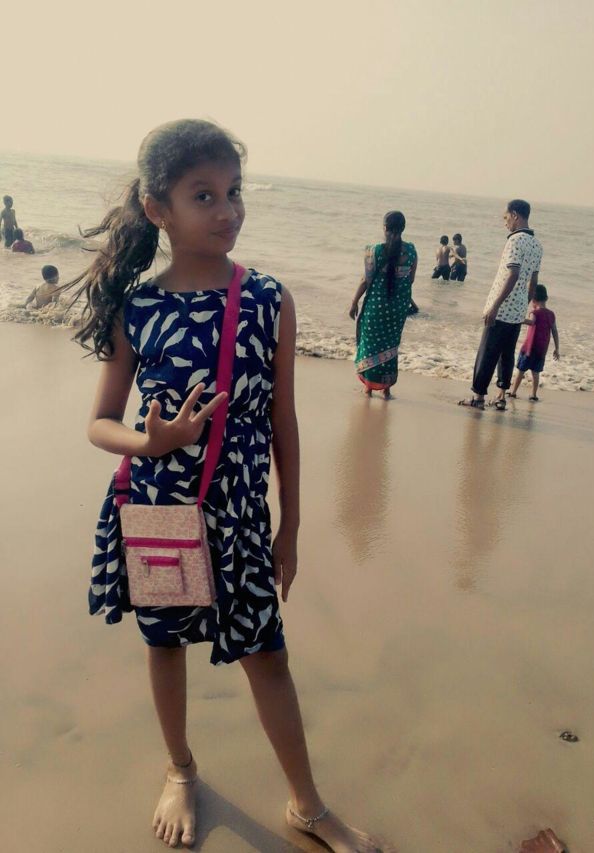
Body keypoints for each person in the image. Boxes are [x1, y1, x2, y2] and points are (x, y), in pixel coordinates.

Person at [63, 119, 385, 853]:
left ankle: (307, 805)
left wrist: (290, 527)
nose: (227, 210)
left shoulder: (268, 298)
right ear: (158, 209)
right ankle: (180, 769)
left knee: (266, 652)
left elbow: (283, 422)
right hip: (159, 510)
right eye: (203, 195)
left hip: (238, 514)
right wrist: (151, 442)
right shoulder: (138, 307)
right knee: (166, 644)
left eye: (233, 192)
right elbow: (100, 423)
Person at [459, 199, 543, 411]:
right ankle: (501, 396)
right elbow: (533, 281)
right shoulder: (537, 245)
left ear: (515, 215)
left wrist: (495, 305)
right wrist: (524, 304)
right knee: (507, 353)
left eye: (506, 218)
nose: (505, 222)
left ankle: (478, 397)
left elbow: (513, 274)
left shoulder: (514, 241)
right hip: (517, 309)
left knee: (487, 352)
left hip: (503, 307)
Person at [349, 211, 418, 399]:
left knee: (370, 345)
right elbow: (411, 279)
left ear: (384, 227)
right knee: (391, 345)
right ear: (403, 228)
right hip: (397, 309)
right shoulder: (411, 251)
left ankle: (368, 389)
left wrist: (354, 302)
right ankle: (386, 390)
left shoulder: (374, 251)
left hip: (376, 307)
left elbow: (365, 280)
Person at [508, 284, 559, 401]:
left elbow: (531, 322)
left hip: (529, 348)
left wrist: (518, 319)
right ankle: (533, 394)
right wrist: (557, 348)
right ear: (546, 298)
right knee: (535, 373)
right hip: (541, 349)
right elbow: (555, 331)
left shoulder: (534, 313)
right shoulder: (551, 314)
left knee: (521, 370)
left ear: (533, 300)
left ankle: (513, 392)